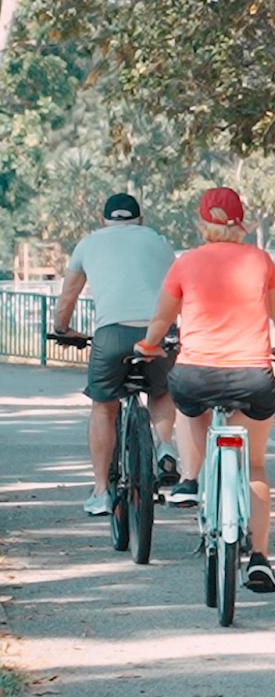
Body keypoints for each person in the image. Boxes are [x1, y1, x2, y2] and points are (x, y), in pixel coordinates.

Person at [134, 187, 275, 593]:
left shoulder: (186, 263)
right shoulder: (261, 261)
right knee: (256, 465)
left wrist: (149, 346)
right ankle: (259, 558)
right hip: (252, 376)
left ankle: (190, 479)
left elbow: (161, 318)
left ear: (202, 222)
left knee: (189, 407)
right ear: (242, 223)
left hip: (197, 374)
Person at [52, 193, 181, 516]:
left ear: (103, 219)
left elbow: (69, 295)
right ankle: (165, 447)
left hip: (112, 334)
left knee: (103, 406)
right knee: (161, 390)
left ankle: (101, 491)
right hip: (159, 332)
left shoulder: (88, 243)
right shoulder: (160, 242)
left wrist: (62, 329)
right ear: (141, 218)